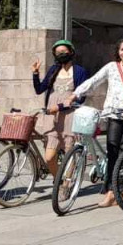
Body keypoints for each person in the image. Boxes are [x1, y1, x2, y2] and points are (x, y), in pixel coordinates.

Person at [69, 38, 123, 208]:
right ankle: (110, 192)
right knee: (112, 150)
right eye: (122, 50)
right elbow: (94, 80)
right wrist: (76, 94)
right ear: (118, 51)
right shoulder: (112, 67)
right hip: (114, 113)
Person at [32, 39, 90, 180]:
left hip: (70, 117)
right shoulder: (53, 70)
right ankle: (59, 180)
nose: (61, 54)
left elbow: (81, 98)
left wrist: (59, 106)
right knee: (49, 157)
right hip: (52, 118)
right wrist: (35, 74)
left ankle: (66, 185)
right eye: (58, 52)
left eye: (64, 52)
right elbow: (40, 89)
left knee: (70, 153)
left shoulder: (80, 71)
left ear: (71, 52)